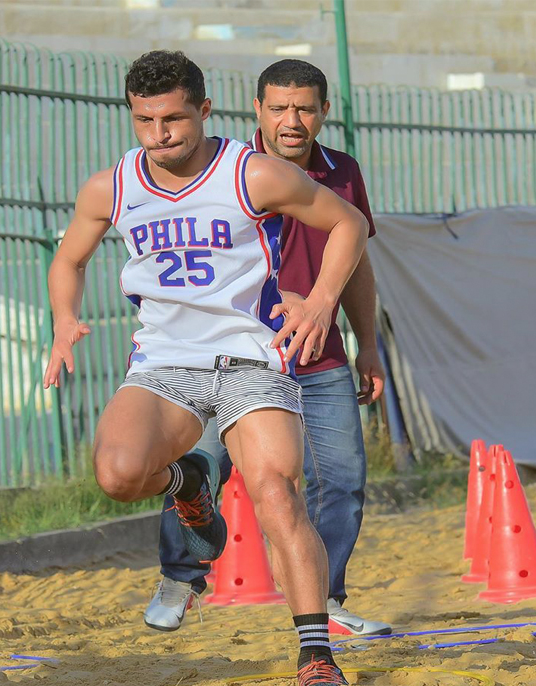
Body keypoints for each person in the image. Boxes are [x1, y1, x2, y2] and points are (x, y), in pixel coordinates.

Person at [42, 50, 367, 686]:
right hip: (165, 362)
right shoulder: (112, 187)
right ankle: (188, 481)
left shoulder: (254, 175)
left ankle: (314, 650)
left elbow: (347, 224)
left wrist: (324, 300)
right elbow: (69, 259)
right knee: (117, 475)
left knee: (275, 491)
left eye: (174, 120)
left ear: (204, 110)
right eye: (145, 122)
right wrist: (63, 321)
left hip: (250, 357)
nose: (160, 136)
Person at [144, 59, 392, 639]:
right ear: (256, 110)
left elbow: (356, 263)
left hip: (319, 354)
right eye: (279, 107)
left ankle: (322, 602)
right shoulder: (232, 169)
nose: (292, 119)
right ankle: (181, 576)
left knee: (344, 481)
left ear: (324, 112)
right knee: (200, 468)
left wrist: (368, 346)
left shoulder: (343, 172)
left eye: (304, 108)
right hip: (236, 357)